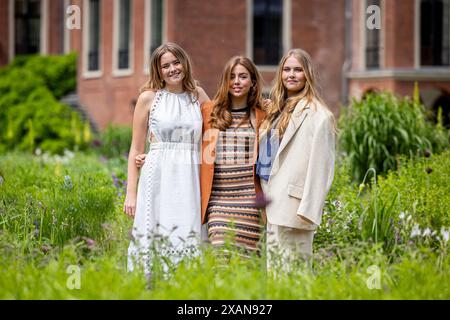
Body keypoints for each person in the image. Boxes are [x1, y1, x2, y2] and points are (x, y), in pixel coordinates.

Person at [123, 42, 209, 276]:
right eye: (165, 66)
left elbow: (217, 129)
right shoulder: (148, 98)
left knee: (187, 232)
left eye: (176, 62)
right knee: (155, 233)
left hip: (190, 176)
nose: (172, 69)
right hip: (158, 175)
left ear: (185, 63)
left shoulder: (198, 96)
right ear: (158, 70)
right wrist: (131, 193)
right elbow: (135, 149)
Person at [256, 48, 335, 268]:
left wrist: (308, 213)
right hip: (272, 208)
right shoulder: (275, 111)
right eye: (287, 69)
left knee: (295, 278)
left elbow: (322, 170)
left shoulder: (319, 116)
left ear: (307, 74)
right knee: (276, 277)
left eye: (298, 70)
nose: (291, 75)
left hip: (295, 211)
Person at [200, 56, 266, 257]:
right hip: (219, 202)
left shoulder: (263, 114)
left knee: (246, 265)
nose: (236, 82)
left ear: (253, 82)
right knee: (221, 258)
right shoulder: (209, 111)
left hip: (249, 203)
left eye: (243, 76)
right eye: (232, 76)